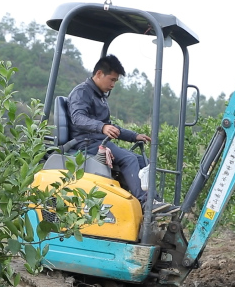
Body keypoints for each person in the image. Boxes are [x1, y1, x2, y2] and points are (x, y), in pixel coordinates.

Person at [67, 55, 178, 214]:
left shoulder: (100, 96)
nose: (113, 85)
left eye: (115, 81)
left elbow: (109, 126)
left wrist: (134, 136)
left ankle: (155, 201)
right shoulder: (82, 93)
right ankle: (145, 203)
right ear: (99, 74)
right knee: (129, 158)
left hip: (99, 140)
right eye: (111, 80)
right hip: (85, 143)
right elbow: (78, 118)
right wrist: (102, 127)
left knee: (141, 160)